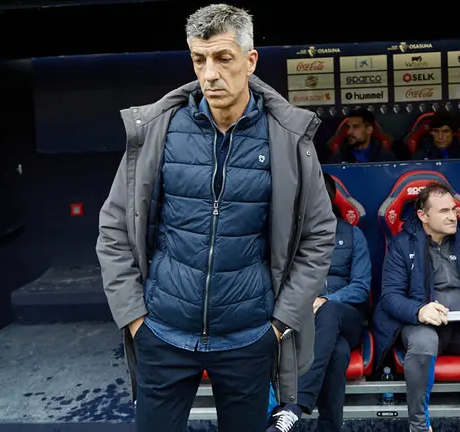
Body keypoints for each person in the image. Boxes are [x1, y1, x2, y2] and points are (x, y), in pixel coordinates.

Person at [95, 4, 335, 432]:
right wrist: (135, 317)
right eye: (198, 59)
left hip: (249, 337)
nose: (209, 74)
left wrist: (279, 325)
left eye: (223, 59)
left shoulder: (288, 138)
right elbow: (114, 226)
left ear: (250, 60)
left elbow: (318, 236)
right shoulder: (158, 130)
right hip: (162, 332)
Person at [372, 182, 460, 432]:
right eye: (444, 211)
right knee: (424, 341)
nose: (453, 216)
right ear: (423, 216)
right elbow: (390, 297)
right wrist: (419, 311)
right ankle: (419, 426)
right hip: (424, 326)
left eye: (454, 209)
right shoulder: (402, 244)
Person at [267, 173, 372, 432]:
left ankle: (294, 407)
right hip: (303, 322)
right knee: (338, 352)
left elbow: (361, 287)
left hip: (345, 316)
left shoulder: (352, 235)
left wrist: (325, 300)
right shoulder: (289, 238)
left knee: (329, 311)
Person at [327, 108, 397, 163]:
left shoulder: (386, 158)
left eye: (355, 127)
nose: (349, 132)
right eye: (348, 127)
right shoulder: (337, 158)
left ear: (369, 130)